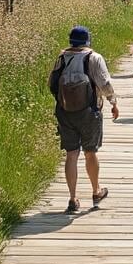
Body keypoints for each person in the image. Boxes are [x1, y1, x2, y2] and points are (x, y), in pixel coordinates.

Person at [48, 26, 119, 214]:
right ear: (88, 40)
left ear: (71, 41)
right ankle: (96, 191)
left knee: (71, 154)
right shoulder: (93, 58)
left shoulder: (62, 58)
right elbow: (104, 84)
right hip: (89, 111)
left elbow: (51, 84)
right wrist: (113, 102)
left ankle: (72, 198)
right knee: (90, 152)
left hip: (65, 111)